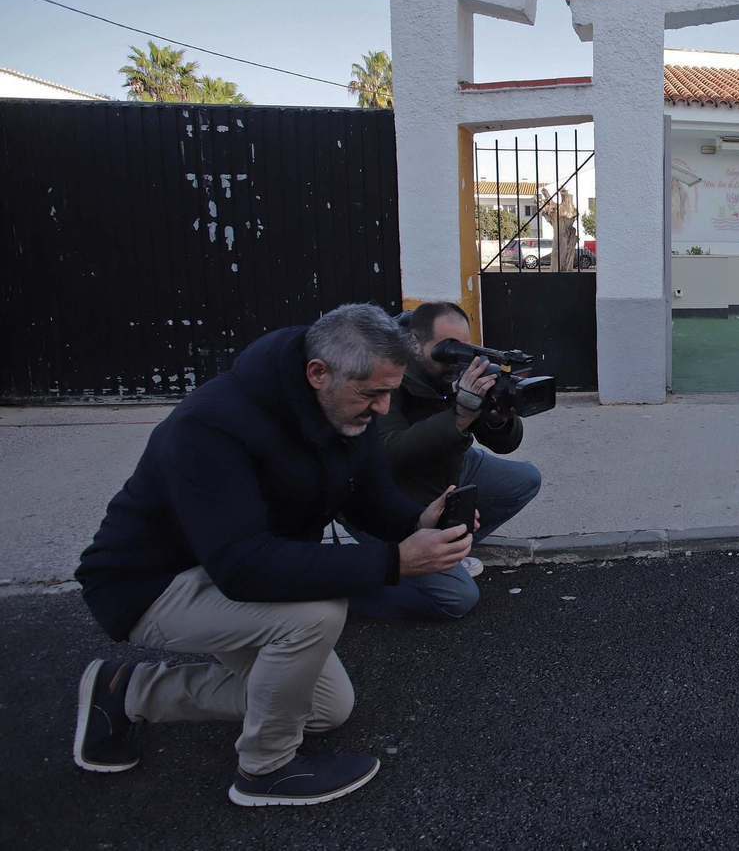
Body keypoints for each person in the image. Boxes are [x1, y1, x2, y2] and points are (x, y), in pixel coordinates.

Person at [72, 305, 473, 805]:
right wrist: (395, 562)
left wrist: (418, 523)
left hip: (231, 566)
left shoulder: (346, 406)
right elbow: (243, 569)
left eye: (390, 391)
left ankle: (127, 692)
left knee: (327, 708)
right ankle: (265, 768)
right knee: (317, 614)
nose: (383, 409)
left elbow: (367, 499)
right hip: (151, 582)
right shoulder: (211, 424)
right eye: (372, 394)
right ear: (318, 373)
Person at [356, 301, 542, 620]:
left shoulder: (449, 370)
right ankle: (348, 585)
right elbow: (390, 453)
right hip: (391, 493)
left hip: (448, 465)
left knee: (524, 480)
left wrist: (497, 417)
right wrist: (461, 415)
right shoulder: (385, 371)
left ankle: (449, 549)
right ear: (414, 343)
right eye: (445, 348)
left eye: (460, 346)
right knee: (458, 598)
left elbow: (505, 444)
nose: (453, 357)